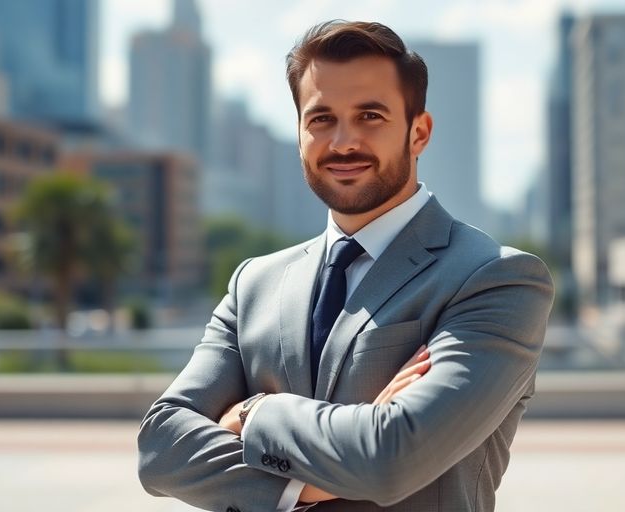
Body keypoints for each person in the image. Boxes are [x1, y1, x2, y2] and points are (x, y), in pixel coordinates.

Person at [138, 20, 554, 511]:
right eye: (320, 119)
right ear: (298, 134)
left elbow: (391, 459)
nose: (342, 143)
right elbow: (160, 449)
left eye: (370, 116)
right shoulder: (254, 284)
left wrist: (255, 411)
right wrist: (336, 462)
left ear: (418, 132)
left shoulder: (495, 279)